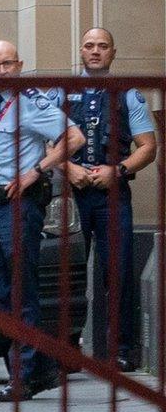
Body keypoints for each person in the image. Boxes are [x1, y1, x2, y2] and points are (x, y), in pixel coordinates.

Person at [0, 41, 84, 401]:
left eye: (9, 64)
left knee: (21, 289)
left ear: (20, 65)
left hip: (20, 204)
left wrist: (35, 171)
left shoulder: (31, 103)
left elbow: (74, 137)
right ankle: (38, 368)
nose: (3, 71)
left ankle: (24, 375)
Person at [61, 28, 157, 372]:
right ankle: (67, 348)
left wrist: (117, 170)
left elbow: (148, 147)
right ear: (81, 51)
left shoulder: (128, 95)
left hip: (112, 195)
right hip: (70, 197)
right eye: (89, 45)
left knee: (118, 271)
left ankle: (122, 349)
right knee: (67, 272)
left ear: (113, 53)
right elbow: (45, 142)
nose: (96, 51)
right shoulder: (63, 93)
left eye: (103, 46)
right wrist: (67, 167)